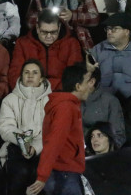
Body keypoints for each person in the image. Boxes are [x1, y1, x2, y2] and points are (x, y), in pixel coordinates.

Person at [26, 62, 94, 195]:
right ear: (78, 86)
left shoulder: (66, 105)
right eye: (87, 82)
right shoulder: (66, 108)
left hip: (61, 173)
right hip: (64, 176)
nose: (90, 86)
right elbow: (54, 142)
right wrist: (42, 176)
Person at [0, 59, 52, 195]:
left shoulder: (51, 101)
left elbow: (51, 130)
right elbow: (6, 127)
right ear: (21, 76)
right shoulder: (9, 100)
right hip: (17, 147)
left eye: (35, 73)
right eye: (26, 72)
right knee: (20, 172)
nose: (30, 75)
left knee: (40, 175)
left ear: (41, 78)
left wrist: (35, 147)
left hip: (44, 149)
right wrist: (24, 142)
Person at [9, 8, 83, 91]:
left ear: (59, 28)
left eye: (53, 32)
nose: (49, 36)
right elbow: (14, 75)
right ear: (37, 28)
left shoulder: (72, 43)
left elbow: (74, 77)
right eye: (44, 32)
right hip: (29, 94)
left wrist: (50, 92)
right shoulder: (22, 44)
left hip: (61, 95)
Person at [90, 12, 131, 103]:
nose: (109, 32)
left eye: (114, 29)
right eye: (108, 29)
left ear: (126, 31)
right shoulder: (97, 50)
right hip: (103, 101)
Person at [81, 66, 126, 148]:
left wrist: (105, 152)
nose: (77, 84)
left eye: (80, 80)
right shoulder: (73, 100)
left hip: (102, 154)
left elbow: (119, 136)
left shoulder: (110, 101)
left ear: (92, 82)